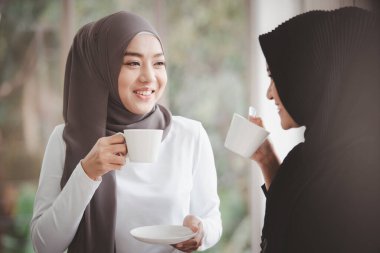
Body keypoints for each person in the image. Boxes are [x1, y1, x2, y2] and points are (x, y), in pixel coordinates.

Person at [30, 11, 222, 253]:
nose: (149, 77)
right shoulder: (65, 140)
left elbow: (212, 219)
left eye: (159, 63)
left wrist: (201, 232)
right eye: (133, 63)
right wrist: (86, 174)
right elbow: (44, 245)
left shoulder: (189, 135)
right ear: (103, 70)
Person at [250, 7, 380, 253]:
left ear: (307, 76)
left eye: (275, 77)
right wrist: (266, 159)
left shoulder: (363, 176)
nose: (269, 93)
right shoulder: (309, 156)